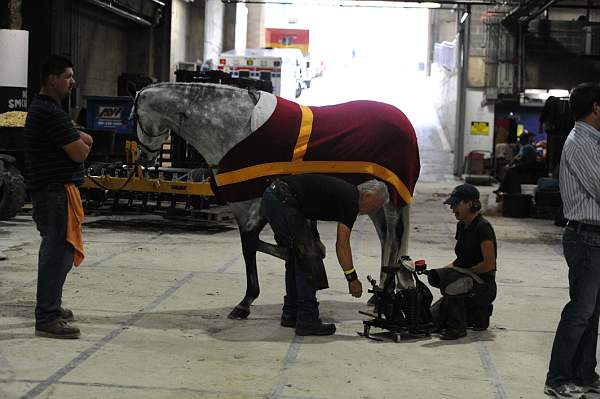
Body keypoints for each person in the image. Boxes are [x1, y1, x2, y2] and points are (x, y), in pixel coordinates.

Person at [261, 174, 388, 336]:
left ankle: (291, 314)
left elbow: (309, 205)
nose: (375, 211)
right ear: (367, 195)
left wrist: (315, 237)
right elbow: (342, 245)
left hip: (276, 197)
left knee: (296, 257)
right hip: (281, 200)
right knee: (307, 259)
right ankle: (307, 320)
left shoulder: (346, 193)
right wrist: (352, 279)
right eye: (376, 206)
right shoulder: (351, 201)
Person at [24, 55, 92, 339]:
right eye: (67, 76)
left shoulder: (50, 110)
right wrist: (78, 141)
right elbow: (80, 151)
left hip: (55, 191)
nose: (72, 81)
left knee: (59, 254)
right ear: (52, 79)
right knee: (56, 254)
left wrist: (78, 138)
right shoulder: (49, 112)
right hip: (53, 193)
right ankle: (47, 317)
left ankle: (51, 306)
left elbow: (84, 141)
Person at [544, 82, 600, 399]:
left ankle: (583, 373)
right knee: (580, 312)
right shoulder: (580, 142)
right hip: (586, 237)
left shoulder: (593, 141)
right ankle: (558, 377)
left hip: (594, 237)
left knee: (591, 313)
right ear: (595, 107)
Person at [436, 183, 497, 340]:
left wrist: (460, 272)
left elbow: (489, 265)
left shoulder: (483, 227)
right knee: (432, 319)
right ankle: (479, 314)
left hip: (483, 285)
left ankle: (457, 328)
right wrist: (442, 271)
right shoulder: (462, 226)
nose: (452, 208)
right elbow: (462, 260)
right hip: (467, 279)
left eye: (456, 204)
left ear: (470, 203)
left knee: (455, 280)